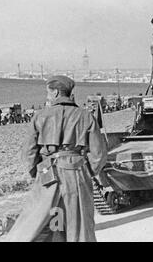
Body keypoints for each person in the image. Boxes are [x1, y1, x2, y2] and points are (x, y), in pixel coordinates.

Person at [6, 75, 107, 242]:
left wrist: (37, 172)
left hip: (48, 175)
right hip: (76, 174)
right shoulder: (85, 116)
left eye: (48, 92)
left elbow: (29, 152)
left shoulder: (40, 116)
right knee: (79, 221)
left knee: (53, 217)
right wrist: (86, 171)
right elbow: (99, 153)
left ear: (56, 92)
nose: (47, 96)